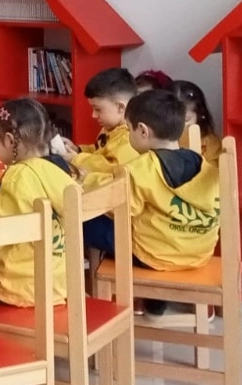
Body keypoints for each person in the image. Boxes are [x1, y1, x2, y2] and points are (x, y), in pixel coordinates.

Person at [85, 90, 220, 274]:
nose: (128, 135)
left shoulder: (144, 168)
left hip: (153, 255)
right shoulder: (202, 163)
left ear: (143, 130)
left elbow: (117, 206)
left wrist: (86, 179)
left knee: (82, 221)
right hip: (198, 254)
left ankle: (85, 283)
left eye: (129, 129)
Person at [0, 99, 77, 307]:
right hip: (57, 283)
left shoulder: (20, 176)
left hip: (19, 287)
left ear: (9, 141)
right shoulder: (61, 170)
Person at [57, 67, 140, 176]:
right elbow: (99, 151)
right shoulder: (110, 127)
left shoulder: (129, 139)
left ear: (120, 107)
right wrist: (78, 150)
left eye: (98, 109)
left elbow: (112, 168)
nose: (94, 115)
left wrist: (77, 159)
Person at [171, 79, 220, 163]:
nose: (178, 124)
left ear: (200, 115)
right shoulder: (156, 138)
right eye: (172, 118)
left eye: (186, 120)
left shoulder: (208, 142)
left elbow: (215, 168)